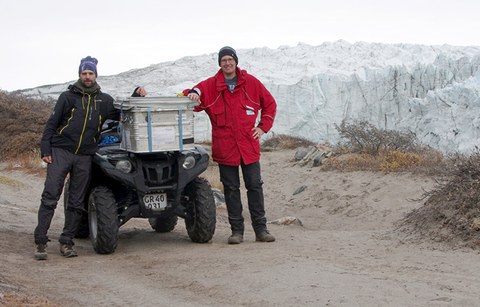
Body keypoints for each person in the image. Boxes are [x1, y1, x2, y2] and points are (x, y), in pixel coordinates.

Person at [184, 46, 277, 244]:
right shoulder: (212, 85)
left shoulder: (250, 83)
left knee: (254, 186)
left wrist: (262, 127)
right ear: (220, 63)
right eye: (223, 60)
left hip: (248, 147)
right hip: (226, 148)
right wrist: (192, 92)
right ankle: (237, 232)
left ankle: (261, 230)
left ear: (235, 61)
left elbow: (270, 103)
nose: (227, 63)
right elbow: (193, 94)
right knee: (231, 189)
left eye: (230, 59)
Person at [34, 56, 120, 260]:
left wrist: (137, 94)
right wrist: (45, 149)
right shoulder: (67, 97)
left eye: (90, 73)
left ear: (96, 75)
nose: (87, 77)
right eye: (84, 73)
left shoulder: (104, 100)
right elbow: (52, 124)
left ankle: (66, 242)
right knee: (50, 196)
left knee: (76, 201)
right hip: (61, 150)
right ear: (79, 75)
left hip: (85, 155)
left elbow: (121, 113)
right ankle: (40, 242)